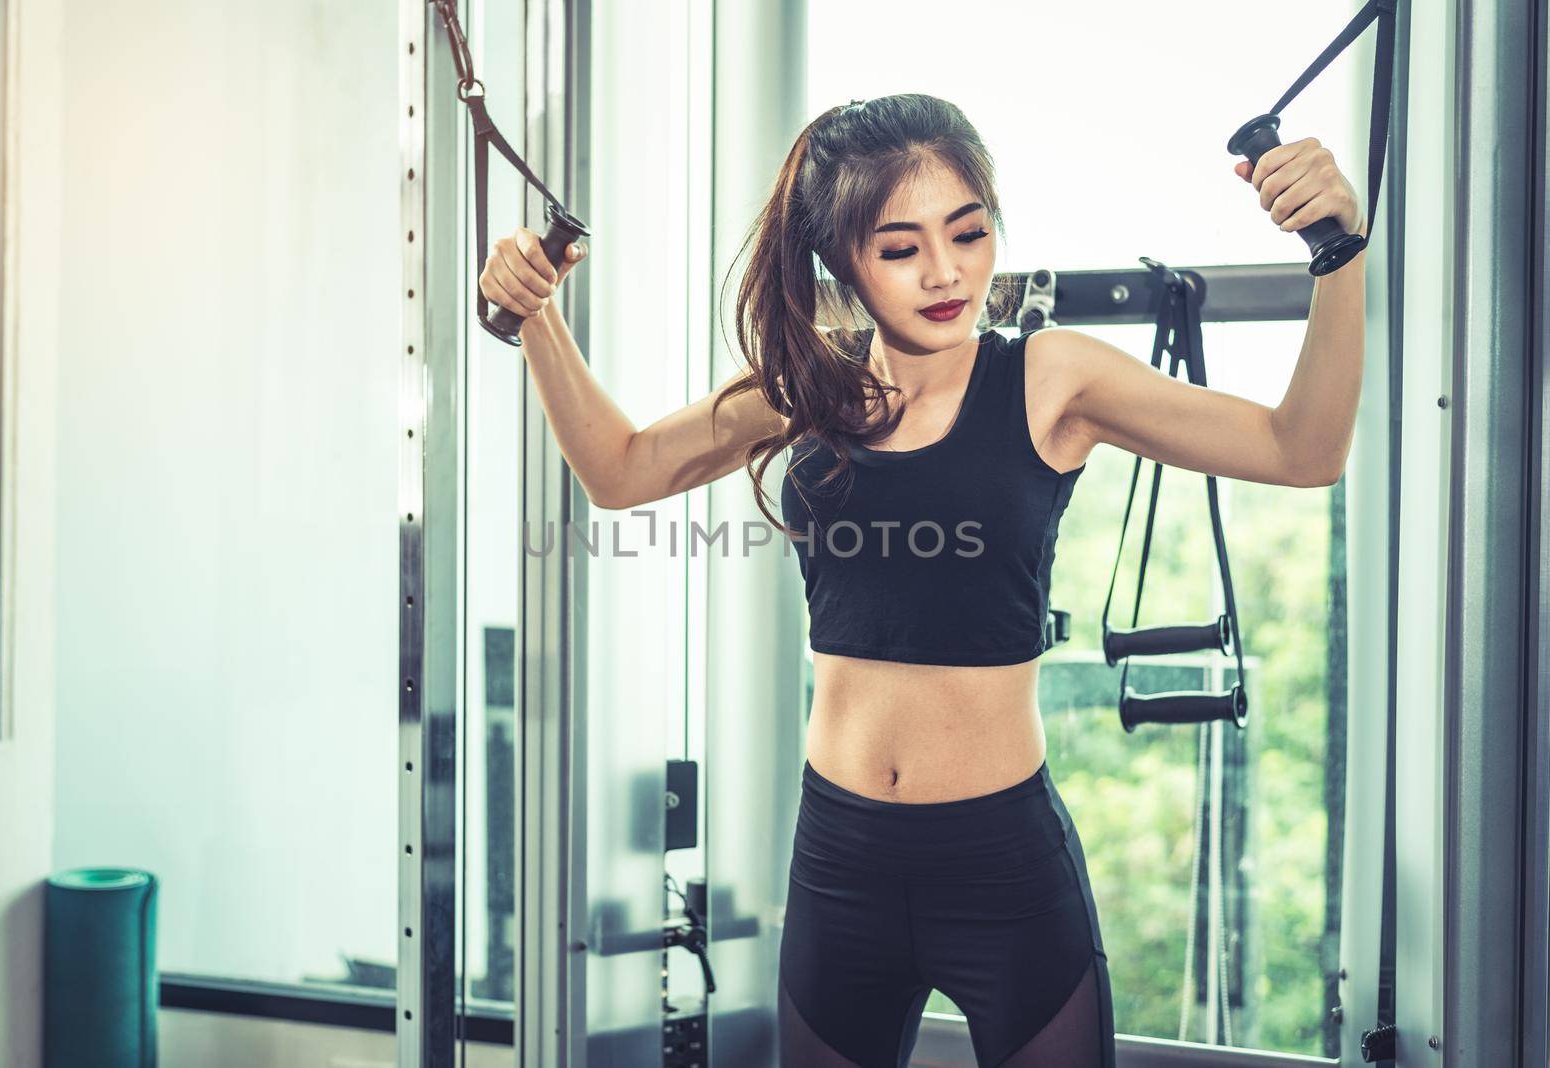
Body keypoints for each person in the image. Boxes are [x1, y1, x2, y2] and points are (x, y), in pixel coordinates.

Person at [479, 93, 1364, 1068]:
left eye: (968, 232)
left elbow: (1302, 449)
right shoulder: (805, 388)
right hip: (838, 862)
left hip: (1002, 867)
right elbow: (622, 471)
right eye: (900, 248)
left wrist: (1335, 250)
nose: (946, 274)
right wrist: (535, 319)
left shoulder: (1049, 377)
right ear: (840, 260)